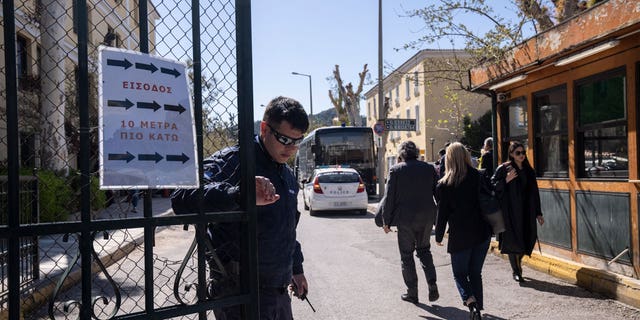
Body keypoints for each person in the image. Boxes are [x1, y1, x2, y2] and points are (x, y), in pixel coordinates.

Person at [171, 96, 310, 319]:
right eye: (285, 139)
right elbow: (182, 196)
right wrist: (238, 193)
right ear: (265, 129)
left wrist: (297, 269)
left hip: (279, 294)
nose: (291, 148)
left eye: (297, 141)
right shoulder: (233, 161)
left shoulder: (286, 174)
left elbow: (287, 229)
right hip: (239, 296)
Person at [435, 142, 492, 320]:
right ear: (466, 156)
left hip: (460, 235)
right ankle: (477, 308)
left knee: (459, 274)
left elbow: (442, 213)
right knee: (475, 272)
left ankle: (471, 303)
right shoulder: (479, 176)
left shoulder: (444, 185)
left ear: (448, 159)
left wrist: (438, 236)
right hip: (483, 232)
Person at [380, 141, 440, 304]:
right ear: (416, 153)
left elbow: (389, 198)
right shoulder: (429, 168)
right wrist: (439, 218)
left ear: (401, 154)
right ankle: (432, 283)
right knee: (424, 250)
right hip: (427, 216)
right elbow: (438, 193)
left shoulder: (396, 170)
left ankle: (412, 292)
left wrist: (386, 221)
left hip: (405, 219)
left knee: (406, 255)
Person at [491, 141, 544, 283]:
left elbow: (534, 192)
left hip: (527, 210)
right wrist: (506, 180)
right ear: (511, 154)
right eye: (518, 153)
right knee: (512, 240)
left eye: (523, 152)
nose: (521, 155)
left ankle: (518, 263)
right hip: (510, 211)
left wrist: (538, 212)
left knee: (528, 238)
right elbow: (492, 187)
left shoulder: (528, 170)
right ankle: (516, 271)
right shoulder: (504, 169)